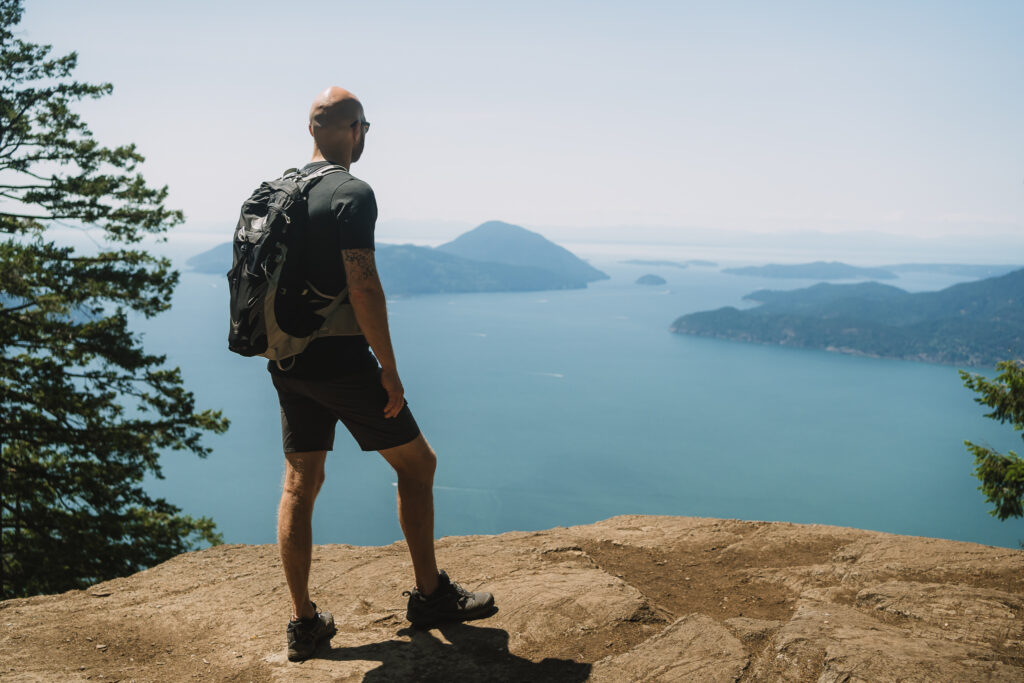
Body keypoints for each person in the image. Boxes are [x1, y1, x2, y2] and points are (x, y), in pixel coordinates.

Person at [271, 86, 496, 662]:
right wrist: (389, 371)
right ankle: (430, 597)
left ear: (312, 130)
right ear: (356, 131)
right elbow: (363, 284)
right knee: (419, 465)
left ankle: (303, 623)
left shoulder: (275, 192)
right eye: (364, 127)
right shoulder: (353, 193)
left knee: (301, 482)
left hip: (287, 358)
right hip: (342, 359)